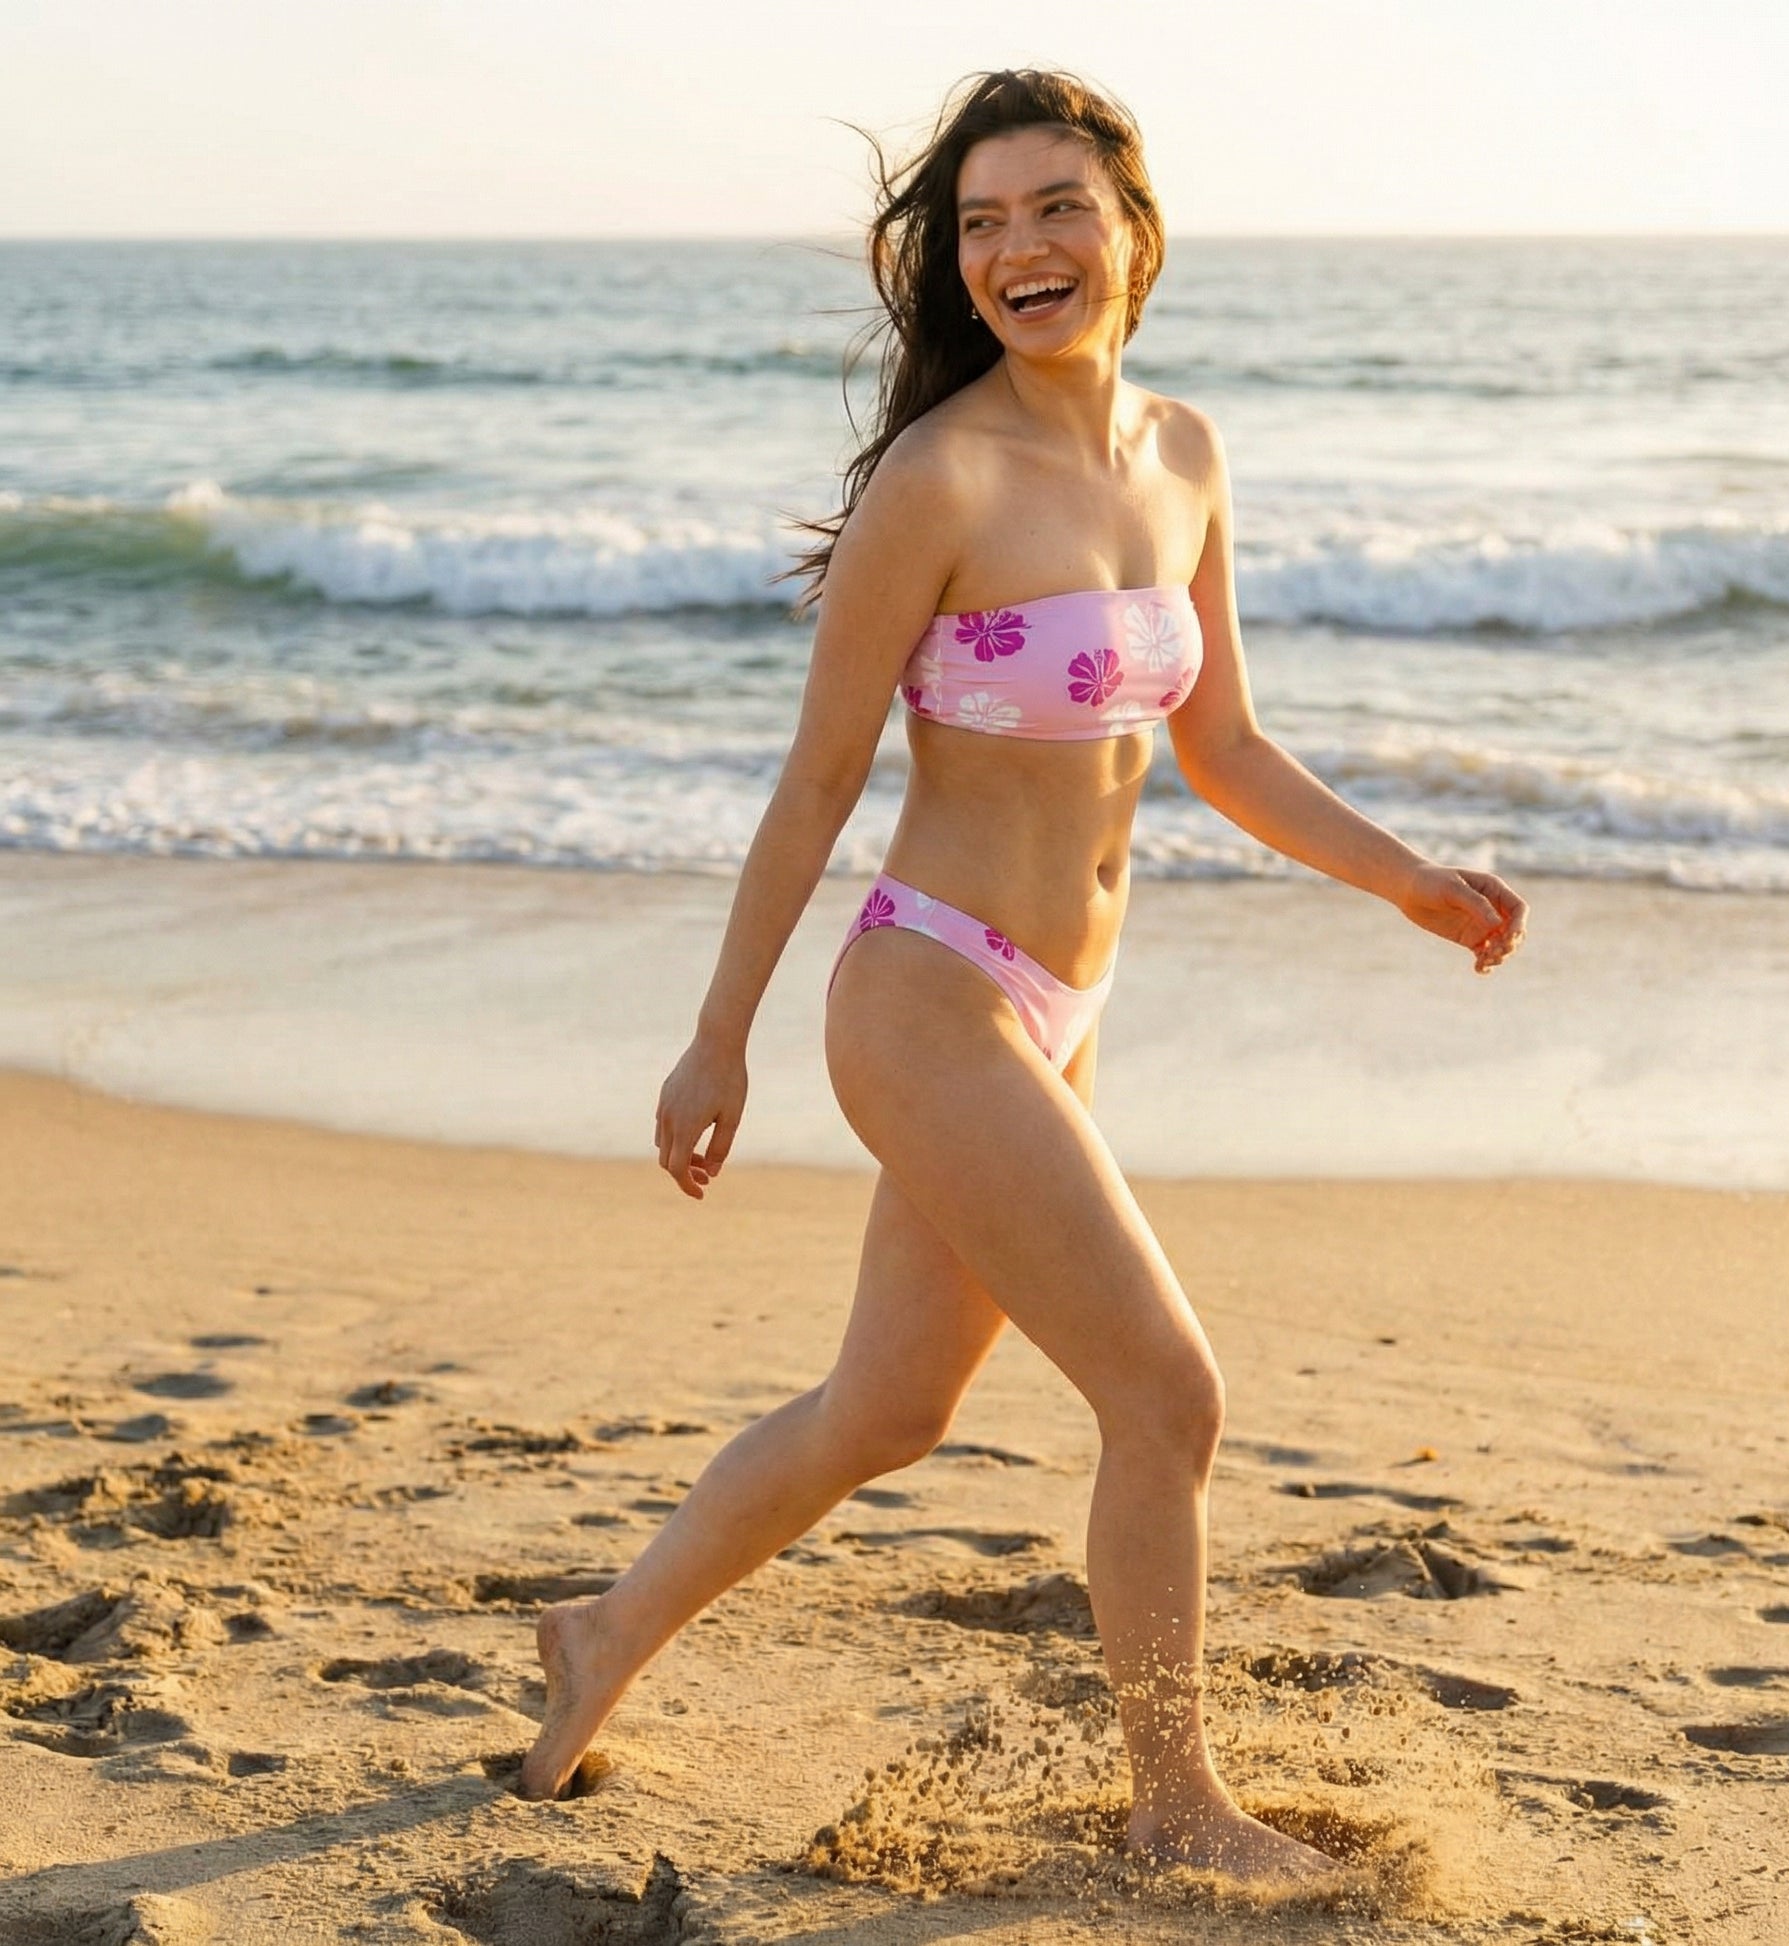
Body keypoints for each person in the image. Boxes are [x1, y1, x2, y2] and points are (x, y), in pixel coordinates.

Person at [520, 68, 1525, 1886]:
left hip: (1059, 1020)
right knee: (1168, 1395)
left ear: (1130, 225)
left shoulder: (1185, 454)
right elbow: (818, 777)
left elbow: (1221, 741)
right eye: (979, 223)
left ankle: (603, 1629)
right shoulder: (943, 474)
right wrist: (715, 1035)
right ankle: (1174, 1805)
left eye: (1051, 208)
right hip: (926, 994)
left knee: (885, 1412)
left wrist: (1401, 877)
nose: (1015, 252)